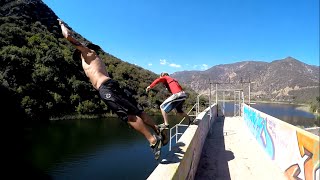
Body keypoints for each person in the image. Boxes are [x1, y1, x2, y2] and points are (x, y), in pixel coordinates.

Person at [58, 19, 163, 160]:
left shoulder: (87, 52)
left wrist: (61, 25)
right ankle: (158, 129)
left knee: (128, 116)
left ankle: (153, 140)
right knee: (137, 111)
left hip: (106, 88)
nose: (78, 57)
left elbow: (69, 37)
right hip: (111, 85)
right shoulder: (95, 60)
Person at [146, 72, 192, 143]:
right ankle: (190, 119)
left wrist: (150, 86)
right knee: (179, 112)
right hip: (183, 95)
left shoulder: (166, 77)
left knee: (162, 107)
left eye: (161, 77)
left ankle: (166, 124)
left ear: (163, 75)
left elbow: (157, 80)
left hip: (178, 95)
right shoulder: (173, 80)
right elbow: (177, 88)